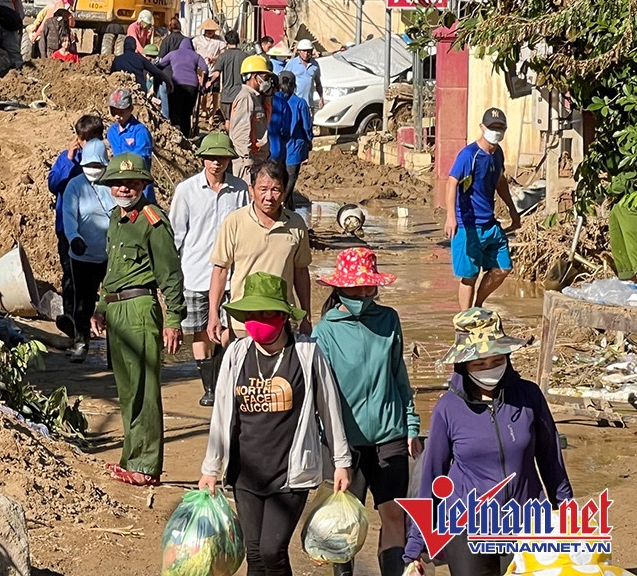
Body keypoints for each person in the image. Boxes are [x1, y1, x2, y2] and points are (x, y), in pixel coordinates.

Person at [199, 272, 352, 576]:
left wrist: (340, 461)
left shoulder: (307, 354)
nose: (259, 320)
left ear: (283, 316)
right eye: (253, 314)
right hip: (246, 473)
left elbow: (330, 409)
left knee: (272, 550)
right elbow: (223, 415)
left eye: (267, 313)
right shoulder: (236, 354)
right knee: (254, 554)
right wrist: (211, 469)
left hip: (291, 473)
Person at [405, 308, 572, 576]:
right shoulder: (448, 408)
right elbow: (432, 477)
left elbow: (551, 460)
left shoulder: (529, 397)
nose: (489, 369)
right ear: (463, 365)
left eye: (496, 360)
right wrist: (416, 544)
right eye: (479, 364)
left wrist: (566, 512)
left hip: (526, 522)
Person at [311, 247, 421, 576]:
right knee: (344, 522)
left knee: (393, 515)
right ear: (339, 288)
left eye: (367, 288)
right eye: (354, 288)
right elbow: (320, 395)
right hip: (345, 444)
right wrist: (326, 441)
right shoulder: (325, 332)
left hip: (391, 434)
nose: (361, 294)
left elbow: (399, 375)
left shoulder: (389, 320)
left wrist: (411, 424)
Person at [90, 152, 185, 486]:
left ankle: (146, 466)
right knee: (127, 390)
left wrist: (173, 318)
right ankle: (131, 459)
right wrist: (101, 307)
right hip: (116, 311)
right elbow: (112, 270)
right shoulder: (116, 219)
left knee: (144, 389)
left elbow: (170, 274)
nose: (124, 189)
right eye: (118, 183)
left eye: (131, 183)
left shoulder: (152, 220)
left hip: (140, 308)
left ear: (143, 184)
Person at [169, 133, 250, 406]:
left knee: (229, 328)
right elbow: (176, 235)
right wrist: (171, 275)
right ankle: (210, 387)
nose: (216, 163)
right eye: (211, 157)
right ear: (202, 159)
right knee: (200, 330)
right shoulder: (186, 190)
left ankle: (222, 377)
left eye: (222, 158)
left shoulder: (241, 190)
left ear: (229, 160)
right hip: (195, 272)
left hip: (232, 274)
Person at [208, 160, 312, 343]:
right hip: (243, 321)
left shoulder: (296, 224)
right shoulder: (235, 222)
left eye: (276, 190)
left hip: (282, 318)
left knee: (283, 371)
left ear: (285, 190)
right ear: (251, 190)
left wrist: (306, 315)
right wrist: (213, 314)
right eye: (263, 189)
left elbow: (301, 272)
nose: (269, 196)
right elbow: (221, 270)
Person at [445, 107, 522, 310]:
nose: (496, 131)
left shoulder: (497, 154)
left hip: (489, 224)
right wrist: (451, 217)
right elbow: (452, 182)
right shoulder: (469, 155)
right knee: (469, 276)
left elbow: (500, 181)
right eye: (492, 127)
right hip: (467, 225)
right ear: (482, 127)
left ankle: (478, 306)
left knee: (502, 267)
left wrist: (513, 210)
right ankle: (465, 320)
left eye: (500, 127)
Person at [48, 114, 107, 339]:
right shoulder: (67, 158)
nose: (82, 144)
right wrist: (69, 160)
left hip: (99, 232)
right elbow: (53, 184)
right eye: (80, 139)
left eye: (87, 140)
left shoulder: (102, 163)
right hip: (69, 228)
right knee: (71, 275)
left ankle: (96, 320)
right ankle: (73, 320)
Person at [62, 138, 115, 362]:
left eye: (97, 166)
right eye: (89, 166)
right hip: (82, 256)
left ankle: (115, 349)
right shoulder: (75, 185)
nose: (93, 171)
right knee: (83, 302)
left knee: (113, 302)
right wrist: (74, 237)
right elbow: (69, 215)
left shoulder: (113, 184)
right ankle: (81, 342)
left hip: (110, 256)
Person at [228, 54, 276, 182]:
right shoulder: (246, 97)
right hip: (248, 162)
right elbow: (241, 131)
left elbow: (265, 121)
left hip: (258, 159)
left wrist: (268, 95)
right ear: (255, 77)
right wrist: (246, 158)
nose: (267, 82)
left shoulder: (256, 97)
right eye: (265, 78)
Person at [105, 88, 155, 202]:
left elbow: (142, 158)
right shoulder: (112, 131)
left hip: (138, 183)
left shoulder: (140, 132)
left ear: (131, 109)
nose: (117, 116)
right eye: (114, 112)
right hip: (119, 182)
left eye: (121, 112)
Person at [272, 71, 312, 211]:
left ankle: (287, 205)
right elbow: (306, 126)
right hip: (295, 144)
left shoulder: (273, 101)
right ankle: (283, 204)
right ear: (294, 85)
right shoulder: (300, 103)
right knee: (291, 177)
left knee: (279, 176)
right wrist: (309, 140)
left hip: (276, 146)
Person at [157, 38, 209, 137]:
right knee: (187, 112)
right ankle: (186, 136)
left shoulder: (173, 53)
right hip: (192, 86)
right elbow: (205, 69)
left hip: (177, 84)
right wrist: (203, 84)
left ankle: (176, 130)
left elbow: (160, 65)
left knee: (175, 110)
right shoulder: (196, 56)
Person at [110, 37, 170, 114]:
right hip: (140, 93)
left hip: (121, 94)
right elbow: (156, 71)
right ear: (134, 46)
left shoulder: (117, 59)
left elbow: (111, 76)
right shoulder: (139, 58)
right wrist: (168, 82)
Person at [211, 30, 248, 129]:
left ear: (226, 42)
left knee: (228, 120)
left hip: (226, 95)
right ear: (238, 41)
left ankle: (229, 140)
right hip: (241, 94)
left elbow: (216, 73)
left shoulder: (223, 56)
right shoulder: (245, 56)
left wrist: (209, 82)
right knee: (240, 121)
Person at [283, 38, 324, 111]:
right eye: (304, 51)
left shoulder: (315, 65)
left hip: (309, 104)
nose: (306, 54)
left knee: (308, 122)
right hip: (294, 103)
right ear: (299, 51)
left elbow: (318, 83)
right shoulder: (292, 64)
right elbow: (284, 81)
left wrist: (321, 98)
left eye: (308, 51)